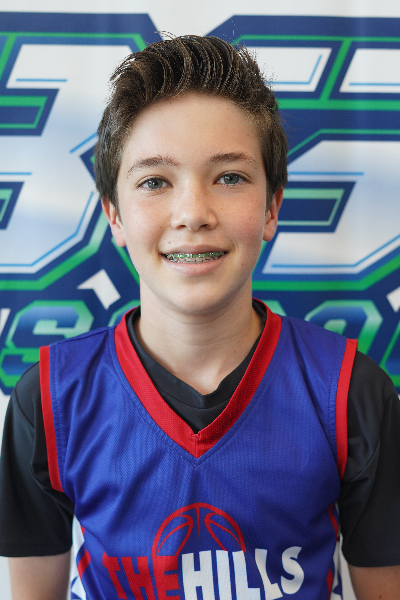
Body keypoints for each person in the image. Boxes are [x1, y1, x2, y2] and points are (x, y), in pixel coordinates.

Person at [0, 35, 399, 600]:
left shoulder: (350, 392)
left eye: (229, 177)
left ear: (272, 207)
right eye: (155, 182)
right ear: (114, 215)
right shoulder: (51, 399)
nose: (192, 213)